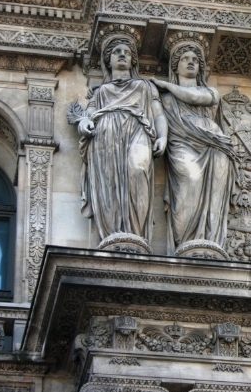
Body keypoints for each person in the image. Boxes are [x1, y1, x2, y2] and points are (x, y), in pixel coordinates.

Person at [78, 36, 167, 244]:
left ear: (133, 60)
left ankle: (135, 234)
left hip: (138, 129)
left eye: (127, 53)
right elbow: (88, 113)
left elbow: (159, 114)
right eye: (117, 52)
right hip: (105, 134)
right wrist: (83, 122)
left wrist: (162, 136)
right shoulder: (101, 91)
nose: (122, 55)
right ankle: (114, 234)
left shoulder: (144, 86)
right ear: (108, 60)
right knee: (108, 182)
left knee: (137, 171)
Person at [150, 42, 236, 252]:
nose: (191, 62)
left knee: (214, 198)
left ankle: (210, 241)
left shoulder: (209, 91)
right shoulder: (165, 99)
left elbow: (196, 98)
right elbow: (159, 118)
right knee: (188, 182)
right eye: (185, 59)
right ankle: (187, 244)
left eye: (195, 60)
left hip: (215, 146)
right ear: (175, 66)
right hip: (181, 145)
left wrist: (167, 86)